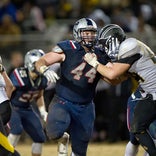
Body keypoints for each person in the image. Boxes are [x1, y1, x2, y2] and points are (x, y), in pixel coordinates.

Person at [35, 18, 111, 156]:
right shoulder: (68, 48)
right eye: (86, 32)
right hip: (63, 101)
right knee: (54, 132)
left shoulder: (101, 54)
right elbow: (41, 61)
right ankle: (63, 139)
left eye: (92, 33)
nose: (89, 36)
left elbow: (112, 77)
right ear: (77, 33)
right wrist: (44, 70)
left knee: (80, 151)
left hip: (86, 106)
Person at [84, 24, 156, 156]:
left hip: (152, 94)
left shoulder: (129, 46)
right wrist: (98, 72)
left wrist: (94, 63)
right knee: (138, 132)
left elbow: (112, 74)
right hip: (148, 93)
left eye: (105, 44)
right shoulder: (129, 47)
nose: (104, 48)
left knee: (140, 129)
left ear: (113, 40)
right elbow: (116, 80)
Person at [7, 49, 59, 156]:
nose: (41, 65)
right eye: (38, 63)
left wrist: (43, 112)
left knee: (39, 137)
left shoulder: (43, 78)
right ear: (30, 63)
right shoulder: (20, 74)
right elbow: (8, 90)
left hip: (27, 108)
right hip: (13, 107)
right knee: (16, 131)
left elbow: (39, 95)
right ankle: (6, 154)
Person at [0, 56, 20, 156]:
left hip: (2, 108)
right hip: (5, 107)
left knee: (4, 149)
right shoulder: (2, 73)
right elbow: (10, 87)